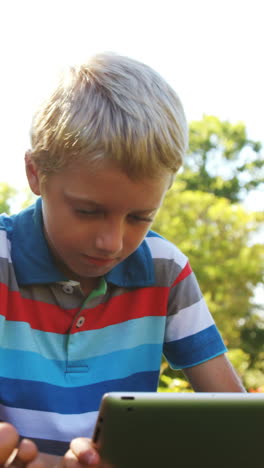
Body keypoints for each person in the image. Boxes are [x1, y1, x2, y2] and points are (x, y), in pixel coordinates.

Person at [0, 52, 245, 468]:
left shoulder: (165, 269)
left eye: (139, 217)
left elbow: (237, 423)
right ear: (35, 173)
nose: (111, 242)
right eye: (88, 211)